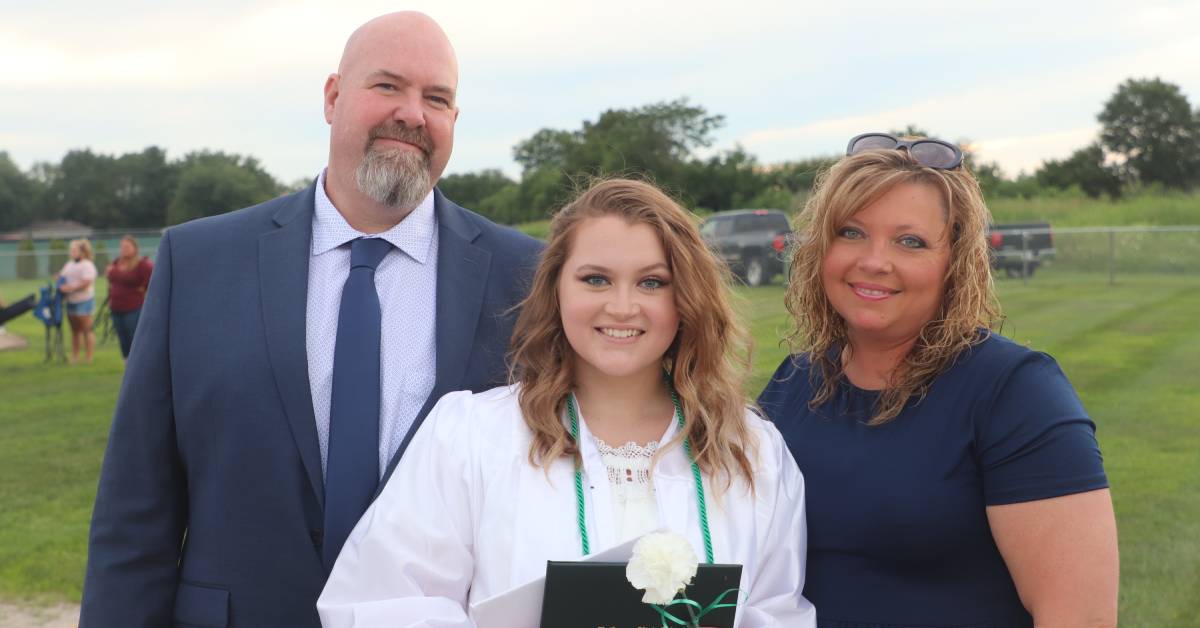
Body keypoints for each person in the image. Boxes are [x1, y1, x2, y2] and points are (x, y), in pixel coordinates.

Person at [80, 12, 542, 627]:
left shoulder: (528, 276)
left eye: (437, 98)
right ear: (332, 97)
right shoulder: (198, 262)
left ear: (454, 120)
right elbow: (135, 510)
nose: (412, 112)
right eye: (387, 86)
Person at [318, 178, 817, 627]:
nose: (622, 306)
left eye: (652, 282)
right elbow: (382, 603)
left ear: (685, 296)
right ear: (555, 287)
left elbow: (779, 612)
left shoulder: (751, 452)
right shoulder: (471, 437)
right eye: (595, 279)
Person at [757, 134, 1118, 627]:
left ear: (956, 264)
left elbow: (1079, 617)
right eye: (851, 232)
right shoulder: (791, 385)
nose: (874, 261)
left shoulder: (1016, 393)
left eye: (911, 241)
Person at [104, 235, 154, 360]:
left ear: (135, 248)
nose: (123, 249)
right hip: (116, 308)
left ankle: (138, 365)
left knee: (135, 339)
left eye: (127, 246)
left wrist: (143, 289)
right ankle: (127, 368)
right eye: (122, 246)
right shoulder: (116, 262)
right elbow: (111, 279)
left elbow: (152, 281)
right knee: (123, 340)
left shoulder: (142, 264)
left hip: (133, 308)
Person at [57, 238, 98, 364]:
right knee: (75, 331)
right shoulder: (69, 264)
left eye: (74, 250)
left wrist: (69, 288)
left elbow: (86, 283)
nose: (72, 252)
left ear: (82, 251)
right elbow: (61, 276)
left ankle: (88, 357)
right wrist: (59, 282)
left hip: (84, 301)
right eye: (71, 250)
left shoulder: (87, 265)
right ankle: (74, 356)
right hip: (71, 301)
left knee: (87, 330)